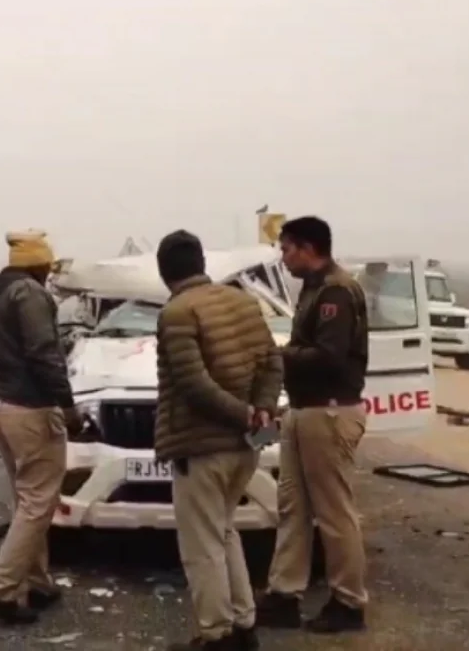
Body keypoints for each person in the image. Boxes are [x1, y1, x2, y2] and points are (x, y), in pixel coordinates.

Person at [154, 230, 283, 651]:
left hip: (200, 447)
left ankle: (216, 635)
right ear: (202, 263)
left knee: (201, 547)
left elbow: (193, 383)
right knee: (225, 532)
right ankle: (244, 626)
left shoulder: (177, 312)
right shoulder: (243, 302)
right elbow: (273, 363)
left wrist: (244, 413)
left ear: (164, 272)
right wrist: (261, 411)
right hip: (245, 446)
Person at [256, 216, 370, 634]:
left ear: (308, 248)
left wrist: (278, 354)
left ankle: (348, 601)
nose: (283, 259)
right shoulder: (313, 288)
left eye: (287, 249)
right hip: (304, 411)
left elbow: (328, 356)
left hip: (329, 412)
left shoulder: (336, 290)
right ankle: (284, 594)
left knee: (334, 513)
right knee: (293, 508)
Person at [0, 230, 82, 624]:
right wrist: (67, 405)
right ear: (39, 266)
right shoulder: (31, 294)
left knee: (28, 502)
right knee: (39, 503)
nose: (49, 275)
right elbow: (43, 353)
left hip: (6, 408)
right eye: (47, 268)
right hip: (34, 410)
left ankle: (36, 582)